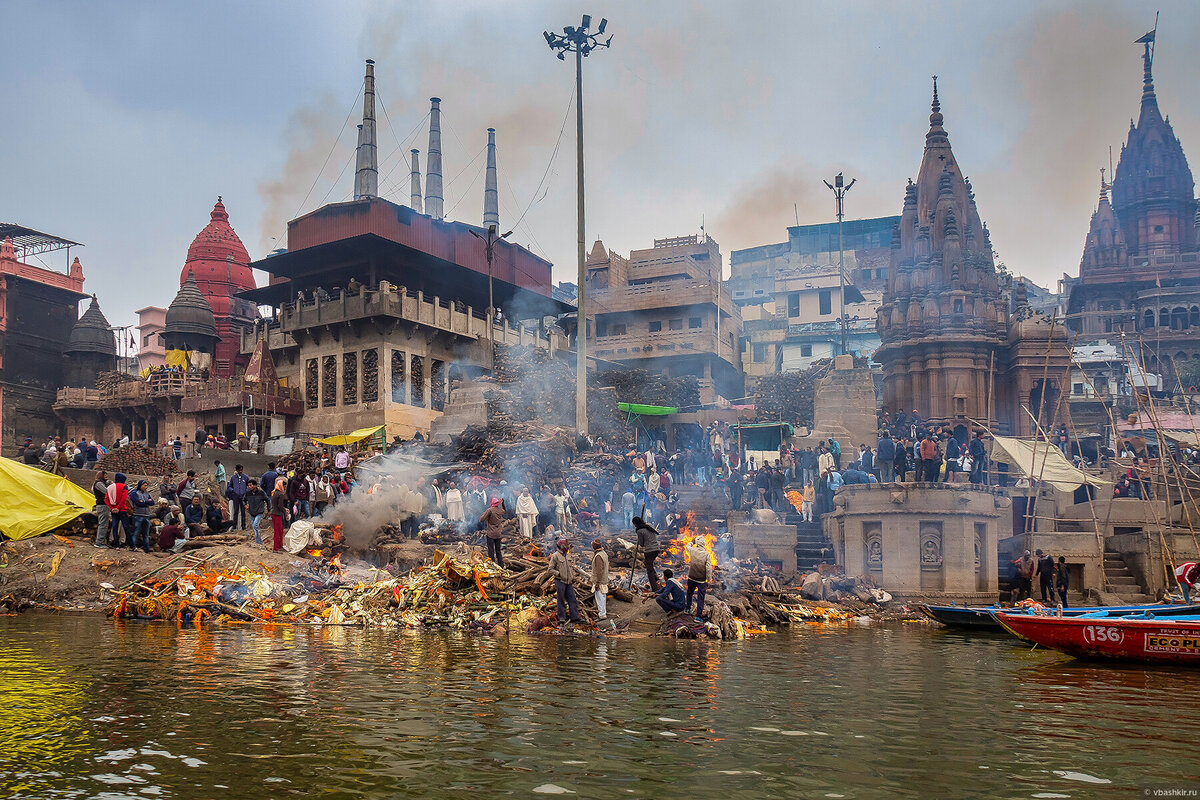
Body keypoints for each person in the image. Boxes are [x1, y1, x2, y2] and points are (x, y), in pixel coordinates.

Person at [548, 539, 581, 625]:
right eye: (566, 545)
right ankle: (561, 618)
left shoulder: (568, 556)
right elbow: (550, 569)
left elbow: (570, 568)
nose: (567, 547)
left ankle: (574, 617)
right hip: (560, 581)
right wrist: (558, 574)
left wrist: (572, 577)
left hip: (569, 582)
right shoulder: (555, 556)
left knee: (572, 599)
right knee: (561, 600)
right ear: (561, 546)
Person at [685, 539, 712, 620]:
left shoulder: (692, 550)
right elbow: (708, 569)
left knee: (689, 593)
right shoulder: (706, 554)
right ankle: (698, 617)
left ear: (697, 543)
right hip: (701, 580)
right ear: (704, 544)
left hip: (691, 577)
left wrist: (692, 542)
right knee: (700, 598)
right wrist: (708, 580)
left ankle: (687, 609)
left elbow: (687, 546)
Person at [634, 516, 662, 592]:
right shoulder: (648, 527)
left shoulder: (640, 531)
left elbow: (642, 544)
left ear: (635, 524)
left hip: (649, 551)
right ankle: (656, 578)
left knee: (649, 571)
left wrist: (639, 540)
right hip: (656, 549)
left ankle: (655, 589)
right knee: (649, 564)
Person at [104, 473, 131, 549]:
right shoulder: (124, 487)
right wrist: (118, 508)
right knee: (126, 527)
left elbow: (106, 499)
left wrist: (112, 508)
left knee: (115, 527)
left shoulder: (109, 487)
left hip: (113, 510)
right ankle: (131, 545)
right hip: (122, 510)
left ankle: (116, 544)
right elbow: (124, 499)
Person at [128, 479, 155, 553]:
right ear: (140, 485)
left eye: (146, 486)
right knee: (135, 533)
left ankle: (146, 549)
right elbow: (137, 502)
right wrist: (147, 502)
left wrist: (144, 502)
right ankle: (133, 547)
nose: (146, 487)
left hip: (146, 515)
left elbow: (152, 502)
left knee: (146, 534)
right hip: (137, 515)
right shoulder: (134, 493)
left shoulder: (147, 494)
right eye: (144, 485)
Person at [480, 497, 507, 567]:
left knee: (491, 550)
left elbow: (481, 519)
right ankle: (501, 565)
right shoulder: (500, 510)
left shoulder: (490, 510)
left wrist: (484, 514)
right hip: (498, 533)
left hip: (491, 534)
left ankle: (492, 565)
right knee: (498, 550)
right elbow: (505, 511)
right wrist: (503, 503)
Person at [591, 540, 610, 623]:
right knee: (602, 597)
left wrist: (597, 582)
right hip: (603, 579)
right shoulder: (604, 553)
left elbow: (599, 570)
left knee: (600, 597)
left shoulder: (599, 556)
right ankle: (603, 613)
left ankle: (602, 614)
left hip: (600, 580)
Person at [244, 479, 268, 545]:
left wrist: (269, 509)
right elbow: (244, 500)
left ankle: (257, 542)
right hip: (252, 512)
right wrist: (245, 505)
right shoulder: (248, 493)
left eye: (250, 485)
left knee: (255, 525)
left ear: (255, 485)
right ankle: (259, 541)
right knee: (254, 527)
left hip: (259, 512)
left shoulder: (261, 493)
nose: (249, 487)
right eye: (248, 485)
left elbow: (267, 500)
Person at [92, 470, 111, 548]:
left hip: (104, 505)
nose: (106, 477)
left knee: (104, 524)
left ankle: (101, 541)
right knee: (103, 524)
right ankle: (99, 542)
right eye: (105, 476)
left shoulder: (102, 483)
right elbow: (106, 491)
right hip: (102, 505)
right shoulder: (99, 484)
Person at [227, 464, 249, 530]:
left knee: (243, 512)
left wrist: (246, 491)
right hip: (235, 497)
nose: (240, 471)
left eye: (241, 470)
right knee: (235, 511)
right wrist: (233, 490)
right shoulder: (233, 478)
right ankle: (234, 526)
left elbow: (249, 485)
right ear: (236, 470)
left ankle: (243, 526)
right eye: (239, 470)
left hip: (243, 497)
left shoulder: (245, 477)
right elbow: (229, 487)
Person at [270, 477, 289, 552]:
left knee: (280, 530)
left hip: (274, 513)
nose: (285, 488)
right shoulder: (280, 494)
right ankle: (276, 548)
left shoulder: (274, 492)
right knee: (278, 532)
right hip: (277, 514)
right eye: (284, 486)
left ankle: (279, 546)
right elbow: (280, 506)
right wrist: (285, 511)